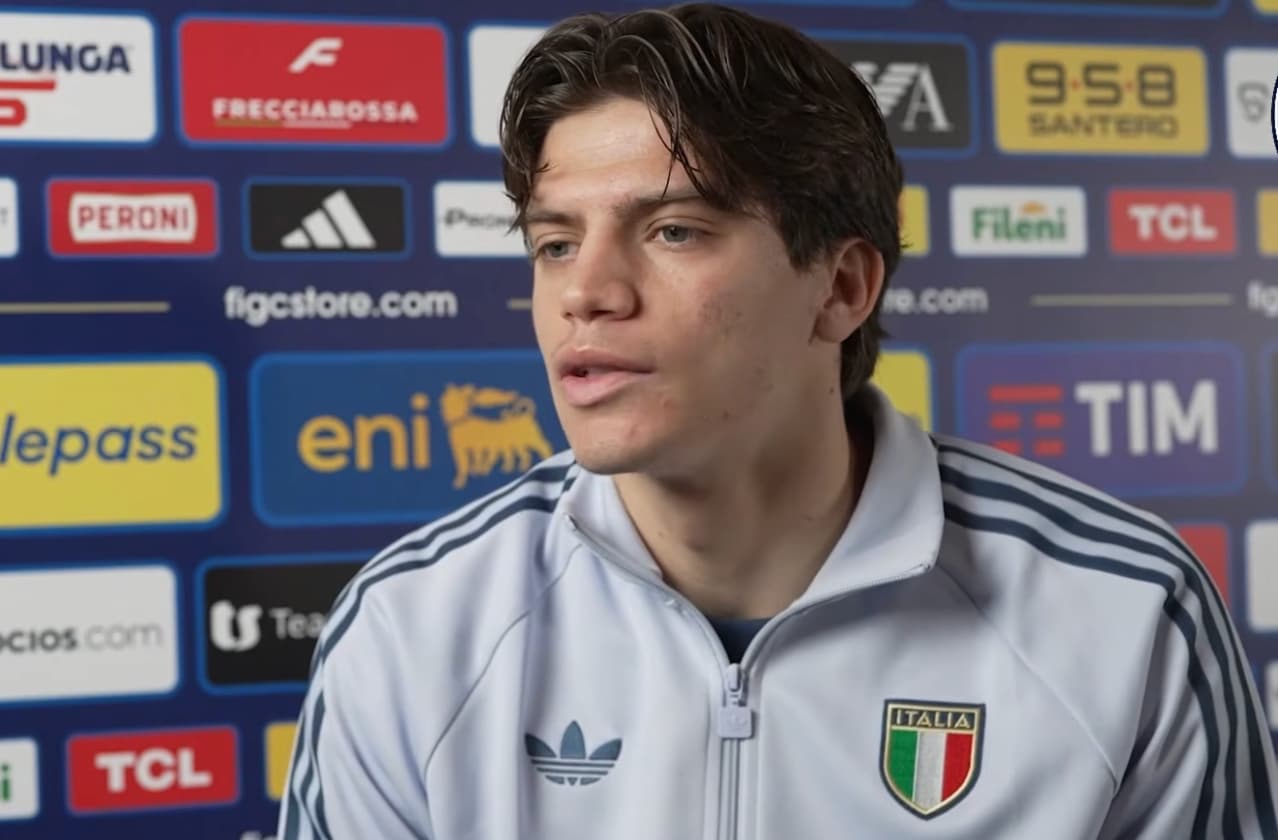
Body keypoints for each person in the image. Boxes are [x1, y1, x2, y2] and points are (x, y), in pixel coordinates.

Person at [276, 4, 1278, 838]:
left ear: (840, 288)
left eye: (673, 230)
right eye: (555, 243)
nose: (586, 293)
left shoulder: (1126, 611)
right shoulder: (413, 631)